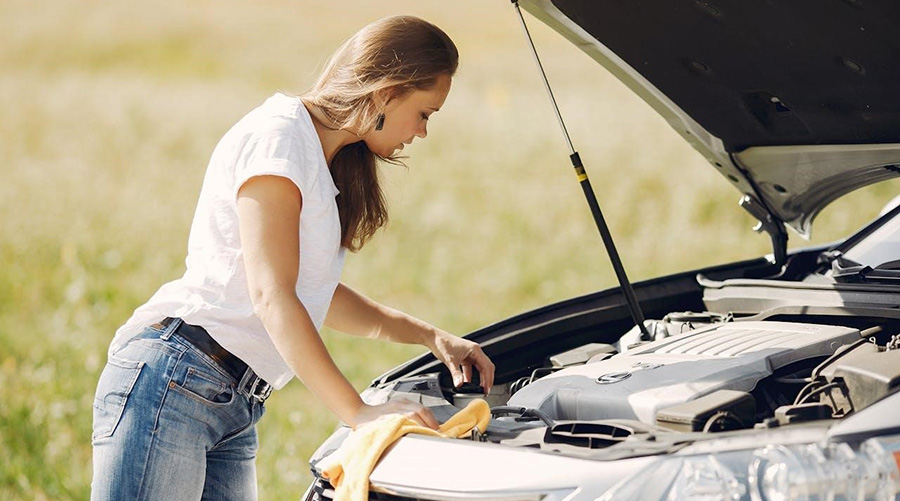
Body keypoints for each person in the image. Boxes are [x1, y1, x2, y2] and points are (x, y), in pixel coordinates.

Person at [91, 15, 495, 500]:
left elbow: (313, 294)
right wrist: (358, 413)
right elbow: (272, 295)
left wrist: (431, 336)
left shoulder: (323, 161)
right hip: (177, 383)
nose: (424, 132)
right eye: (426, 113)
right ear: (387, 92)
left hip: (233, 403)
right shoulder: (279, 138)